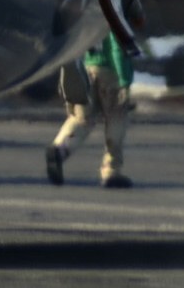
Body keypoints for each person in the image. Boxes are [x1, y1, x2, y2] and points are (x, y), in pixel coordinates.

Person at [46, 32, 133, 188]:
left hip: (87, 68)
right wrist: (124, 80)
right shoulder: (113, 11)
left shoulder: (90, 13)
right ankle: (111, 170)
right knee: (116, 119)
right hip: (111, 72)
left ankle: (60, 148)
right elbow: (117, 46)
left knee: (81, 118)